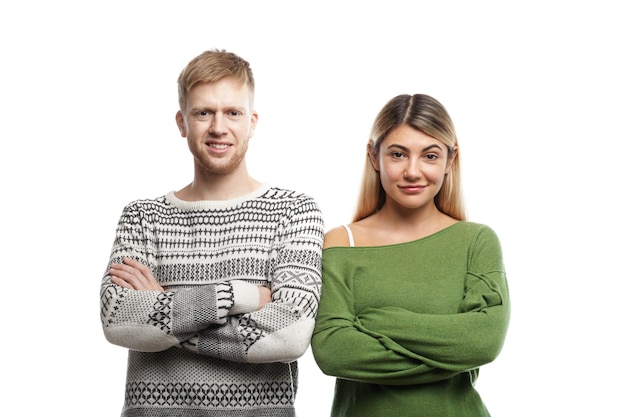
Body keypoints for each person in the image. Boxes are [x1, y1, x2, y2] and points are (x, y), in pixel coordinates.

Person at [100, 49, 325, 417]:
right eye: (203, 112)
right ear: (181, 122)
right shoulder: (142, 217)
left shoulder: (294, 211)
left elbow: (290, 334)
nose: (218, 127)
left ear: (251, 122)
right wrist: (239, 295)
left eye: (232, 113)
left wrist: (164, 310)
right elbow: (118, 320)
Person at [311, 94, 510, 416]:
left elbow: (483, 342)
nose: (413, 171)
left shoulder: (476, 241)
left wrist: (377, 321)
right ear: (374, 157)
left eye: (430, 155)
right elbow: (333, 351)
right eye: (398, 154)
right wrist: (449, 355)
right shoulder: (340, 243)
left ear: (450, 160)